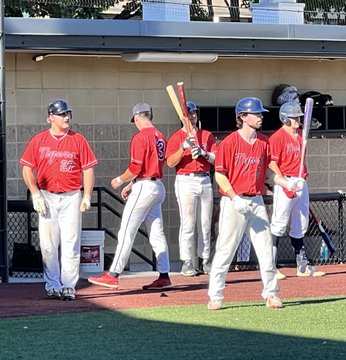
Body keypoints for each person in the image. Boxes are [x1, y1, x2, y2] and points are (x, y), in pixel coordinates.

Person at [207, 96, 299, 310]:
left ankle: (271, 294)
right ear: (242, 116)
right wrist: (233, 197)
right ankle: (215, 295)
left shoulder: (263, 142)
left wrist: (287, 183)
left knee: (266, 249)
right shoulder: (229, 142)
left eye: (260, 114)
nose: (260, 117)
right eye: (256, 114)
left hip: (256, 200)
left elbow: (269, 172)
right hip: (235, 201)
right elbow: (220, 175)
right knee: (225, 250)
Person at [88, 103, 173, 290]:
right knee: (157, 233)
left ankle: (113, 274)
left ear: (136, 117)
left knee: (126, 230)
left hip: (145, 187)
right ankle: (164, 275)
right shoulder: (160, 135)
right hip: (156, 185)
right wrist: (132, 184)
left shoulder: (141, 136)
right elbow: (147, 168)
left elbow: (136, 168)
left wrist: (119, 180)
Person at [19, 99, 98, 301]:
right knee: (48, 244)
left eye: (67, 113)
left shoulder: (78, 139)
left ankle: (68, 285)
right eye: (62, 114)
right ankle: (53, 284)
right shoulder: (39, 140)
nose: (66, 117)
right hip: (47, 195)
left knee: (71, 242)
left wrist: (87, 194)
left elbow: (87, 168)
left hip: (71, 194)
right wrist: (35, 193)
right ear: (50, 118)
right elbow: (27, 168)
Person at [269, 101, 326, 280]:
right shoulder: (277, 137)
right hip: (285, 180)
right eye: (294, 117)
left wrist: (300, 178)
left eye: (298, 117)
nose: (298, 120)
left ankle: (302, 265)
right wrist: (285, 182)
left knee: (301, 223)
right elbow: (272, 162)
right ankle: (271, 266)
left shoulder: (301, 135)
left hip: (301, 180)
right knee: (278, 223)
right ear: (285, 118)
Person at [166, 101, 217, 276]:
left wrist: (204, 153)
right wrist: (183, 148)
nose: (192, 117)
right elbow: (170, 162)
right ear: (182, 117)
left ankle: (205, 260)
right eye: (189, 114)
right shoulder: (176, 137)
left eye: (194, 113)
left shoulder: (206, 135)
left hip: (204, 179)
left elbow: (216, 159)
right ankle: (187, 261)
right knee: (188, 223)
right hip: (185, 180)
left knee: (205, 223)